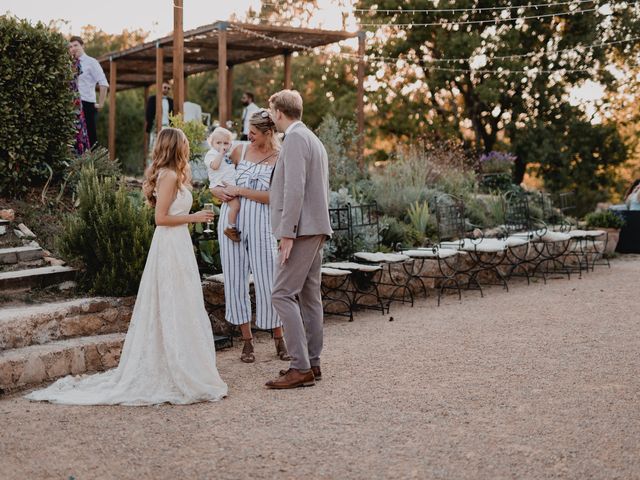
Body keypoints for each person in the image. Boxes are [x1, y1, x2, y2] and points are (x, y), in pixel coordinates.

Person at [26, 128, 228, 406]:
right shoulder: (168, 176)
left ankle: (183, 359)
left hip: (177, 244)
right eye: (183, 143)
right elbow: (160, 218)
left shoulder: (175, 175)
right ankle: (172, 366)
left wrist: (189, 220)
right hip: (169, 243)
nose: (186, 147)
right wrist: (194, 217)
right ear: (175, 147)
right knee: (171, 299)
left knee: (182, 300)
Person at [265, 89, 332, 390]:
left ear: (279, 112)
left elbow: (294, 189)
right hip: (316, 227)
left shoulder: (293, 139)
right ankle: (313, 363)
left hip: (302, 229)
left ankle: (299, 367)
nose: (271, 118)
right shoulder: (313, 139)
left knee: (281, 293)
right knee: (309, 295)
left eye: (271, 113)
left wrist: (287, 233)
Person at [211, 110, 290, 364]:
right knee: (235, 279)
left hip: (261, 223)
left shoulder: (280, 158)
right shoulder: (239, 151)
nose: (249, 136)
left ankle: (278, 337)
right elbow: (217, 177)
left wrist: (241, 190)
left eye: (254, 133)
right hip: (230, 222)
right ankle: (247, 342)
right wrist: (216, 191)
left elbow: (274, 197)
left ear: (268, 133)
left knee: (269, 279)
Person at [68, 36, 109, 149]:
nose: (73, 48)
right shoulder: (69, 65)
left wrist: (100, 104)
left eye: (76, 45)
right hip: (71, 106)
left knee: (90, 139)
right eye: (70, 47)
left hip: (86, 104)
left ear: (82, 46)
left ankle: (92, 165)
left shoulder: (92, 62)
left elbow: (103, 83)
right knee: (73, 140)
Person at [204, 127, 241, 241]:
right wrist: (220, 153)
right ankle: (230, 228)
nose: (222, 146)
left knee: (236, 205)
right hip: (220, 186)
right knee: (236, 206)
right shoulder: (211, 154)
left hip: (226, 185)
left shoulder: (226, 155)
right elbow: (215, 166)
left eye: (226, 143)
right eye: (218, 143)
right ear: (212, 143)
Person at [68, 44, 90, 155]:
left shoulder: (77, 63)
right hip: (67, 98)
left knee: (78, 127)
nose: (72, 49)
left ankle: (80, 154)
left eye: (74, 47)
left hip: (75, 97)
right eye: (70, 47)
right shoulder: (64, 63)